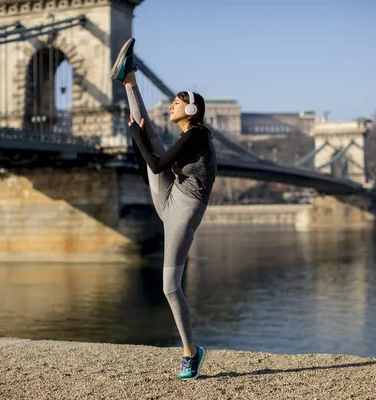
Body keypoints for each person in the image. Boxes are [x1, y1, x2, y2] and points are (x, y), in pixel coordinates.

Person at [111, 37, 217, 380]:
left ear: (191, 110)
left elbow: (156, 165)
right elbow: (157, 161)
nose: (171, 106)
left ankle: (191, 352)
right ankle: (129, 81)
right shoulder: (187, 136)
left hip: (184, 209)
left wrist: (134, 136)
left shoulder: (198, 135)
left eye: (176, 102)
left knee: (170, 287)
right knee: (150, 135)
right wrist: (138, 137)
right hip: (171, 194)